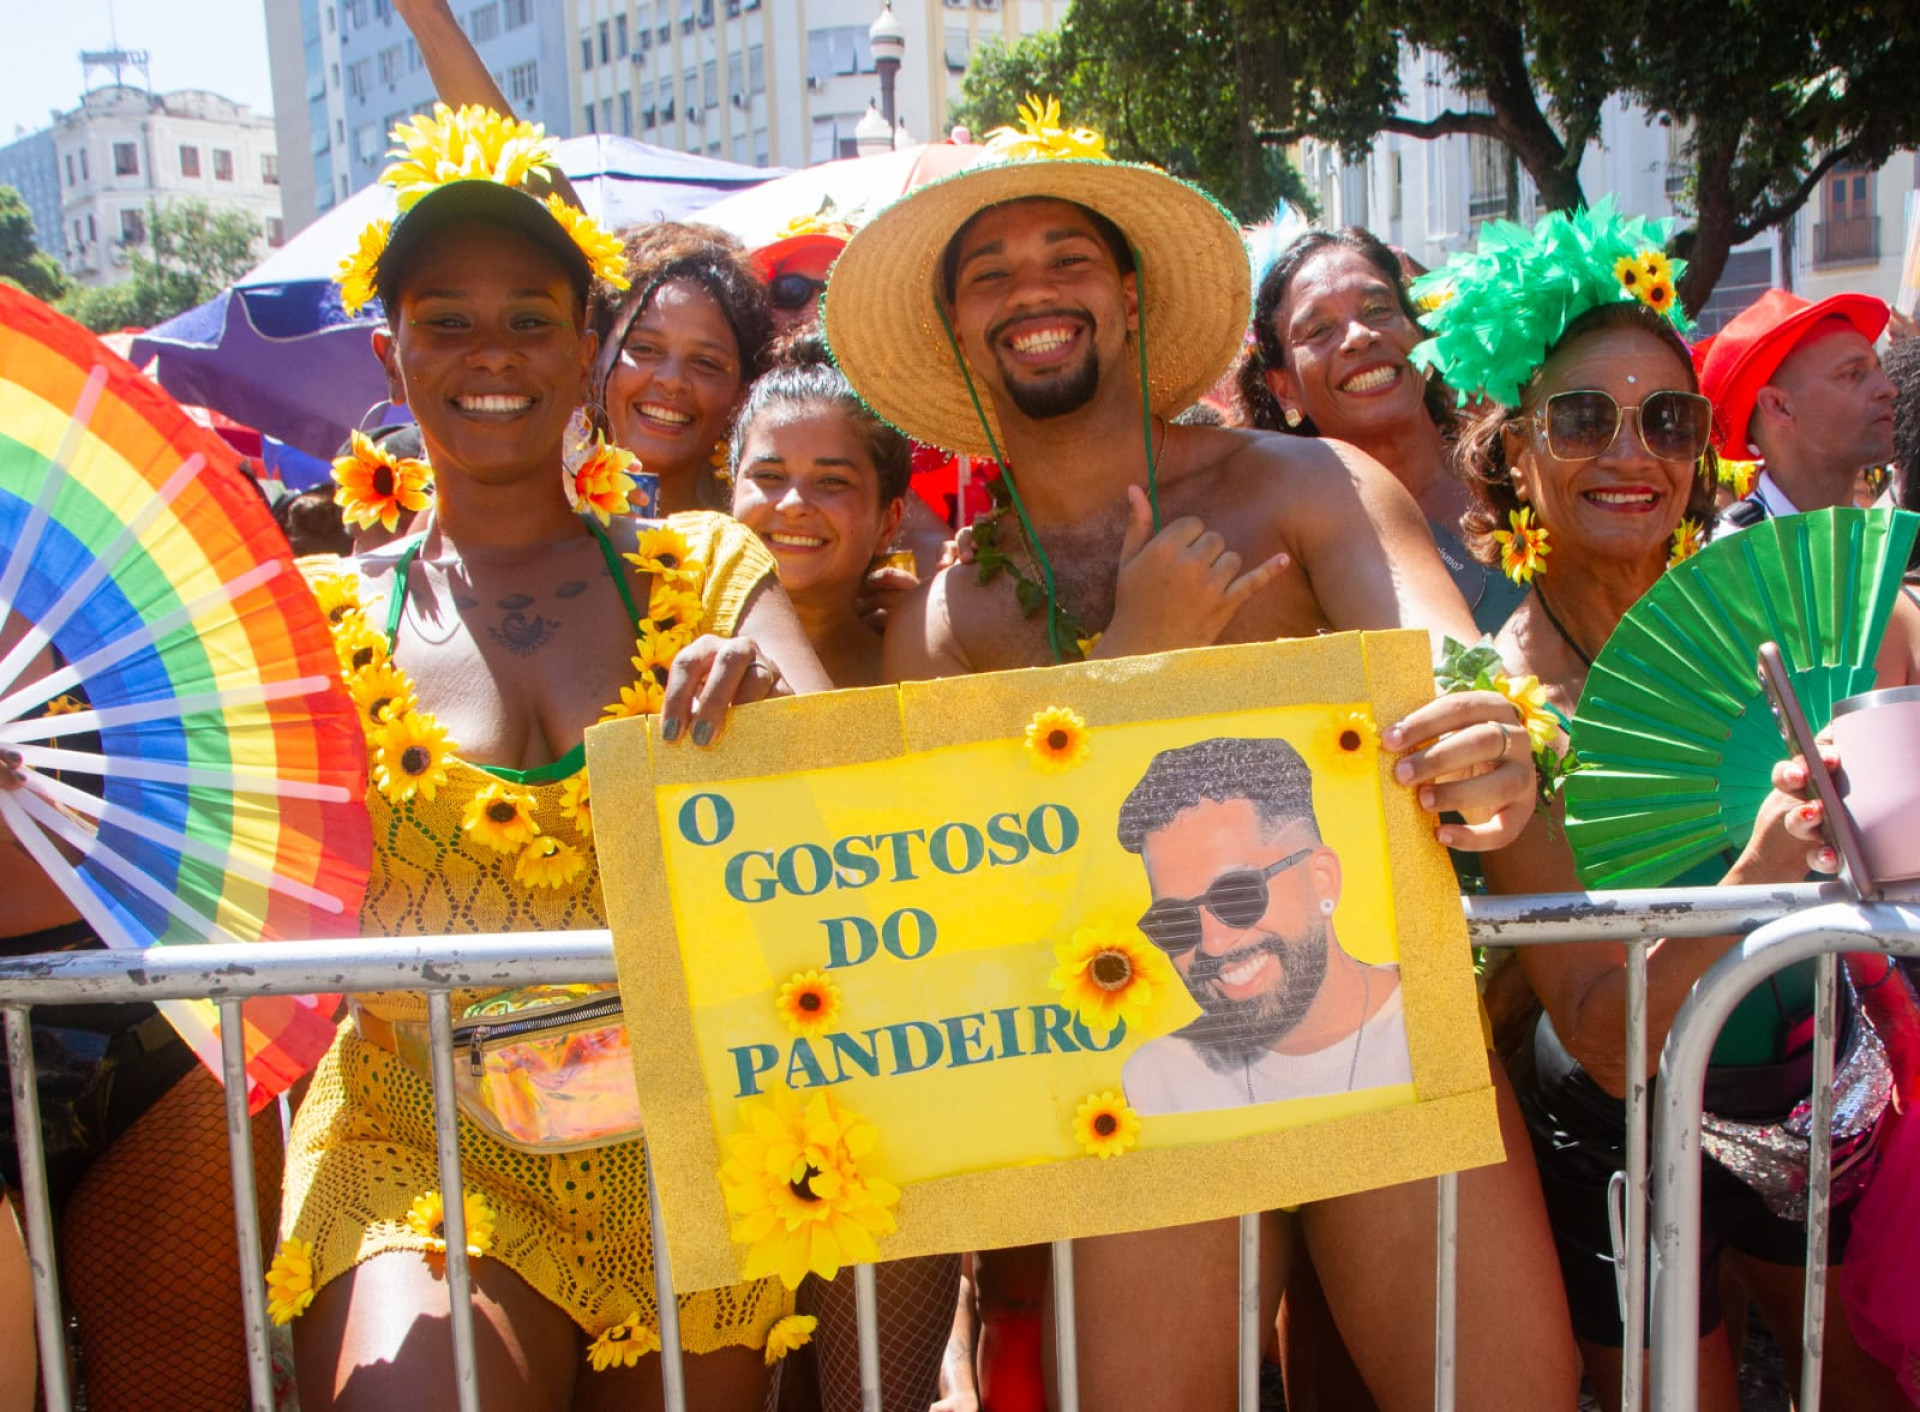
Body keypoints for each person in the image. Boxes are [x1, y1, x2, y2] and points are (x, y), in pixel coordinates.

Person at [825, 104, 1575, 1411]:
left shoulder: (1305, 486)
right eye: (990, 274)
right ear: (957, 331)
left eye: (1065, 258)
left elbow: (1453, 666)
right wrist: (1135, 659)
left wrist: (1494, 738)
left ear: (1126, 296)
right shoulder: (950, 618)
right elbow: (968, 910)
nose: (1033, 292)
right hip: (1137, 1082)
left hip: (1375, 1026)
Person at [279, 108, 829, 1412]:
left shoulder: (710, 576)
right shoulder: (307, 621)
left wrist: (763, 699)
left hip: (684, 1149)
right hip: (422, 1144)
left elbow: (834, 784)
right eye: (446, 320)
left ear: (587, 350)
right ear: (388, 353)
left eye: (531, 317)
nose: (491, 354)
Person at [1412, 204, 1911, 1410]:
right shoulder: (1502, 701)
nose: (1630, 450)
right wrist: (1757, 872)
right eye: (1584, 417)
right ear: (1513, 448)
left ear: (1705, 449)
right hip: (1624, 1134)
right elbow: (1598, 1027)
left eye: (1668, 418)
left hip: (1833, 1087)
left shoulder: (1814, 613)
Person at [1240, 227, 1525, 632]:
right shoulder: (1284, 556)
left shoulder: (1520, 467)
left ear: (1419, 333)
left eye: (1378, 309)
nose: (1359, 336)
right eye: (1319, 330)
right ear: (1284, 390)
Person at [1117, 736, 1412, 1115]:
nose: (1215, 944)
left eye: (1236, 895)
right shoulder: (1159, 1078)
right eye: (1173, 921)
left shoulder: (1427, 1018)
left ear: (1322, 879)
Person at [728, 334, 913, 688]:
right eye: (769, 476)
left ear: (888, 522)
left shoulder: (921, 671)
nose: (794, 503)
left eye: (832, 481)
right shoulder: (664, 650)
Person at [590, 222, 772, 515]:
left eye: (705, 363)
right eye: (645, 349)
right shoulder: (525, 521)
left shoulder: (753, 541)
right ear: (592, 357)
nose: (672, 380)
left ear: (743, 394)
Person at [1695, 288, 1896, 526]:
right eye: (1854, 374)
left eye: (1878, 368)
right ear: (1778, 406)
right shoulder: (1728, 557)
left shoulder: (1889, 545)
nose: (1889, 389)